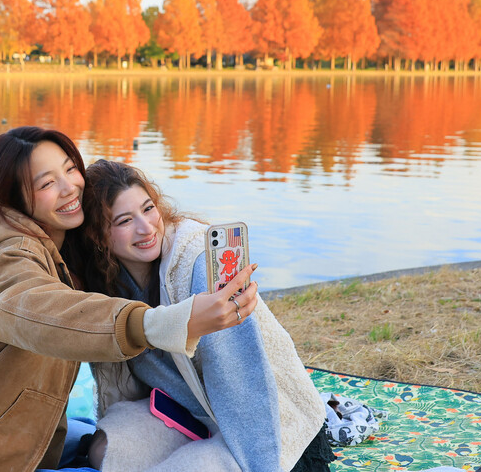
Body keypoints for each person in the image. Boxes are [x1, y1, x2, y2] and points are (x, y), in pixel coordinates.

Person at [0, 127, 257, 472]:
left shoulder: (62, 246)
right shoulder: (7, 262)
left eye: (70, 169)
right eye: (48, 183)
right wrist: (168, 323)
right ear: (16, 199)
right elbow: (51, 313)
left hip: (3, 441)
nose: (70, 188)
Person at [78, 159, 333, 472]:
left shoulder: (198, 264)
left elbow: (241, 378)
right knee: (105, 453)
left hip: (254, 423)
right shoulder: (107, 283)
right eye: (124, 221)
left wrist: (262, 465)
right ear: (97, 236)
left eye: (148, 209)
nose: (146, 228)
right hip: (186, 414)